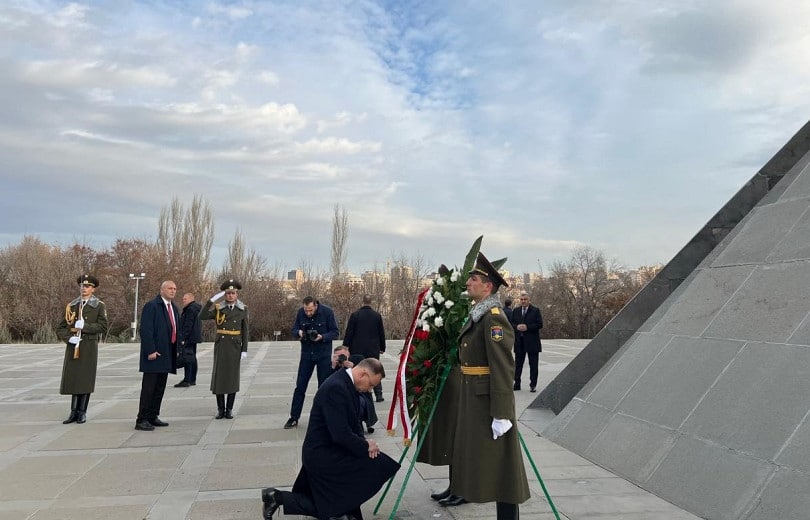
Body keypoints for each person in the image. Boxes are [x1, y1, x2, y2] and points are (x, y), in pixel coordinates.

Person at [261, 358, 400, 520]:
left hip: (333, 449)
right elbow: (340, 434)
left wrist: (366, 443)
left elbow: (354, 424)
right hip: (323, 454)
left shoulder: (349, 385)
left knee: (376, 466)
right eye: (371, 385)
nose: (369, 390)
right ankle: (277, 497)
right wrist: (365, 446)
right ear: (363, 374)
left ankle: (348, 511)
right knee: (331, 504)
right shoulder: (336, 387)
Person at [450, 252, 530, 520]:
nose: (468, 283)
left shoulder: (493, 318)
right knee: (486, 462)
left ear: (488, 286)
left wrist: (502, 412)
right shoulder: (478, 314)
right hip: (473, 399)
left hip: (487, 403)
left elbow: (503, 367)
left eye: (473, 279)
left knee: (501, 464)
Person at [56, 274, 108, 424]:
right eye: (82, 286)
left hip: (88, 346)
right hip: (74, 345)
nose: (84, 289)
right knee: (74, 379)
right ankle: (73, 412)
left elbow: (102, 326)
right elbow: (61, 327)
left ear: (93, 289)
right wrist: (68, 338)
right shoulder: (72, 305)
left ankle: (82, 412)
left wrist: (85, 326)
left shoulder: (98, 305)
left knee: (85, 379)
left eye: (87, 286)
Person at [284, 296, 339, 429]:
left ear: (315, 305)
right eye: (306, 310)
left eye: (310, 310)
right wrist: (299, 333)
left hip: (323, 354)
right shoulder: (300, 313)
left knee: (323, 387)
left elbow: (335, 332)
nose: (308, 313)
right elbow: (294, 330)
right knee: (300, 386)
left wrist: (322, 337)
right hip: (307, 354)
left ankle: (324, 418)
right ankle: (294, 417)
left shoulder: (327, 312)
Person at [199, 279, 249, 419]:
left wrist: (244, 349)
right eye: (227, 293)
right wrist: (211, 301)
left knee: (232, 378)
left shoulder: (243, 309)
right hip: (221, 345)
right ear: (224, 295)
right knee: (220, 378)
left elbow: (245, 330)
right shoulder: (218, 308)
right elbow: (201, 316)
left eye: (233, 293)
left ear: (236, 294)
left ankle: (229, 409)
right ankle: (220, 409)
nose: (230, 296)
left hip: (234, 346)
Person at [135, 280, 179, 431]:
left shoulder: (173, 307)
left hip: (167, 353)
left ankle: (153, 416)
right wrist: (150, 350)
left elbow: (174, 329)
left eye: (174, 289)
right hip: (154, 355)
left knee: (160, 387)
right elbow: (146, 330)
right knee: (149, 388)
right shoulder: (152, 306)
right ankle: (142, 419)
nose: (173, 291)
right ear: (161, 290)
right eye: (169, 288)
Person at [343, 295, 387, 402]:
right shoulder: (377, 316)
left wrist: (346, 345)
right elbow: (381, 333)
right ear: (371, 302)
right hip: (373, 348)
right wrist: (382, 347)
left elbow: (349, 332)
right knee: (375, 368)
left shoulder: (355, 315)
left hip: (357, 348)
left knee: (360, 370)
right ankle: (379, 394)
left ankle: (360, 392)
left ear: (362, 302)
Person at [509, 291, 543, 392]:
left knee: (533, 364)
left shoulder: (535, 310)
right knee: (518, 364)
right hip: (519, 342)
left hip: (532, 342)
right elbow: (511, 324)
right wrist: (517, 327)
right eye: (521, 300)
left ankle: (533, 384)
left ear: (529, 300)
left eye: (525, 300)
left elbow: (540, 324)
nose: (523, 301)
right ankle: (517, 383)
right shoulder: (516, 311)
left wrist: (527, 327)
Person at [174, 292, 202, 388]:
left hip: (189, 338)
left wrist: (183, 338)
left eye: (185, 299)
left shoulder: (190, 309)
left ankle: (187, 380)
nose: (183, 300)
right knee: (192, 358)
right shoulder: (196, 308)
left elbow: (188, 325)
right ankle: (192, 379)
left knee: (187, 358)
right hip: (194, 337)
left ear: (191, 299)